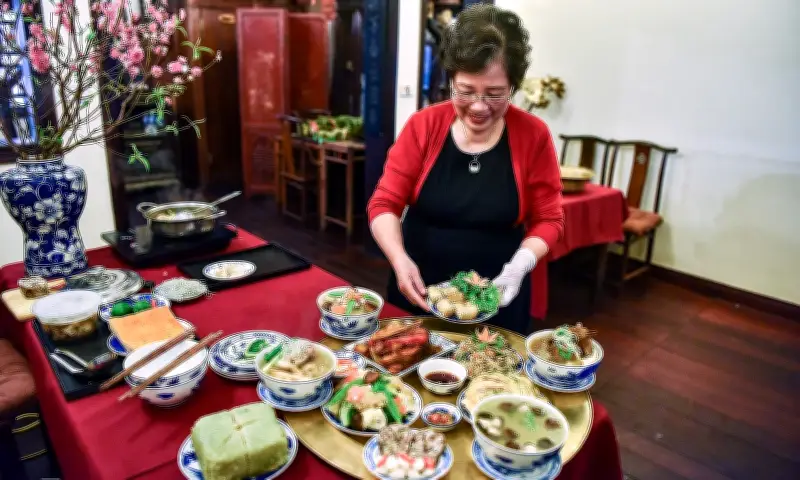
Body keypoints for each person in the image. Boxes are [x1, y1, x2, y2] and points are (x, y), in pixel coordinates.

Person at [366, 4, 564, 334]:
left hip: (498, 294)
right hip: (420, 286)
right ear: (451, 80)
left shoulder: (533, 135)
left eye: (495, 94)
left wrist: (518, 267)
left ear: (513, 87)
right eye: (466, 91)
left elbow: (550, 219)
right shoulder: (423, 126)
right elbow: (384, 203)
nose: (479, 106)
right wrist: (399, 259)